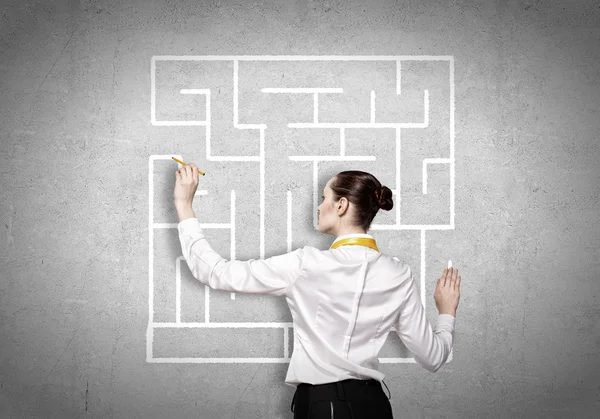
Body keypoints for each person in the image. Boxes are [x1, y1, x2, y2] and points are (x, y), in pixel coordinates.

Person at [174, 164, 461, 419]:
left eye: (324, 197)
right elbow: (433, 357)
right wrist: (446, 313)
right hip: (375, 406)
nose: (319, 206)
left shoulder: (306, 264)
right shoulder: (399, 273)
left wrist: (184, 205)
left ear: (342, 205)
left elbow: (214, 272)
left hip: (323, 407)